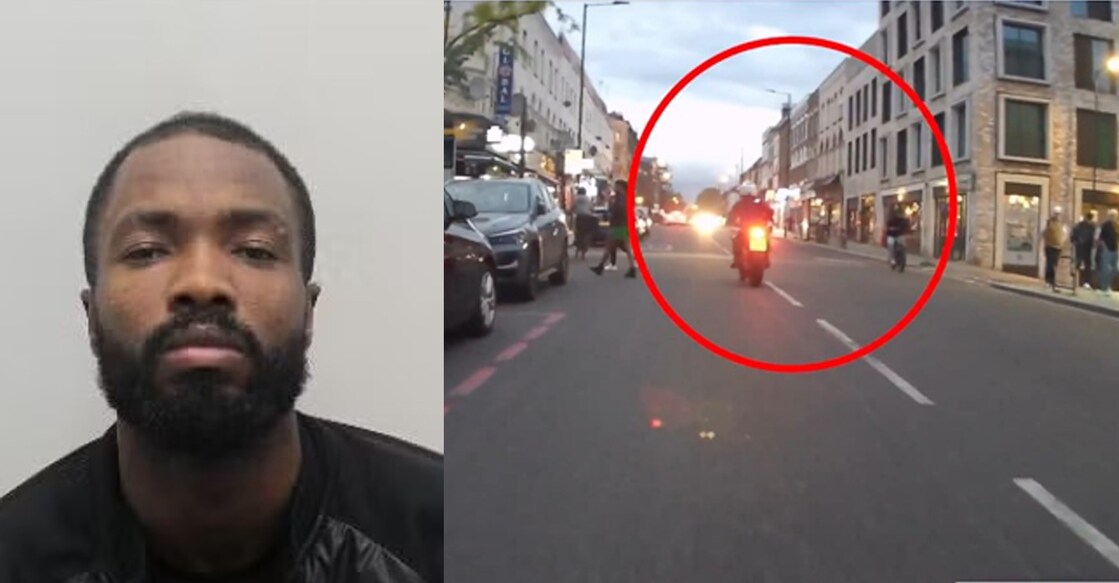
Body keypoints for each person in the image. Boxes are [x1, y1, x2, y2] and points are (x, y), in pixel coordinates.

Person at [0, 112, 442, 582]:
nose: (202, 282)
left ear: (308, 312)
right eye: (146, 250)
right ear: (92, 317)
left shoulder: (433, 531)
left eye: (254, 250)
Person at [591, 180, 637, 278]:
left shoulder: (620, 199)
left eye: (616, 186)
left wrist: (611, 214)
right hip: (624, 225)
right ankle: (631, 267)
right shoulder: (626, 198)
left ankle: (600, 267)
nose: (614, 188)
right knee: (624, 248)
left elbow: (617, 211)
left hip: (617, 226)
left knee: (609, 247)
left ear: (620, 187)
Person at [726, 194, 774, 269]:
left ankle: (737, 261)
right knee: (766, 241)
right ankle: (766, 259)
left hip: (749, 227)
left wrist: (730, 221)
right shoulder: (758, 202)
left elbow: (732, 214)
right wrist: (769, 218)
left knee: (737, 242)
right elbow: (770, 211)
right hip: (754, 227)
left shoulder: (740, 203)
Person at [1042, 210, 1068, 292]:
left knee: (1054, 264)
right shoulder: (1049, 222)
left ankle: (1052, 280)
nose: (1057, 216)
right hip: (1050, 246)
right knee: (1050, 263)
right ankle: (1049, 280)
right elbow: (1044, 233)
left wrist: (1062, 243)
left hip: (1057, 247)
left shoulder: (1062, 224)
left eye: (1058, 214)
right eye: (1056, 214)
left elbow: (1065, 234)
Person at [1072, 210, 1098, 289]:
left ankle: (1075, 281)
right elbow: (1093, 238)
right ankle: (1085, 282)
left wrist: (1075, 241)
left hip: (1081, 247)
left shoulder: (1079, 225)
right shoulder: (1092, 227)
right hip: (1087, 248)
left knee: (1079, 263)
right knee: (1087, 265)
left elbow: (1073, 236)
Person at [1098, 209, 1118, 297]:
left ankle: (1108, 284)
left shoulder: (1117, 225)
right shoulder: (1105, 225)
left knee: (1115, 269)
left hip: (1115, 249)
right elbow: (1101, 238)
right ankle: (1105, 287)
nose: (1114, 217)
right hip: (1107, 249)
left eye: (1115, 215)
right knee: (1105, 269)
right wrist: (1104, 247)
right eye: (1112, 215)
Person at [573, 187, 596, 260]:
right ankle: (583, 252)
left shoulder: (576, 198)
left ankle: (577, 251)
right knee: (586, 234)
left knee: (578, 233)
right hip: (587, 218)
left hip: (579, 218)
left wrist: (569, 212)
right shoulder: (588, 199)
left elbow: (572, 207)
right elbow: (592, 208)